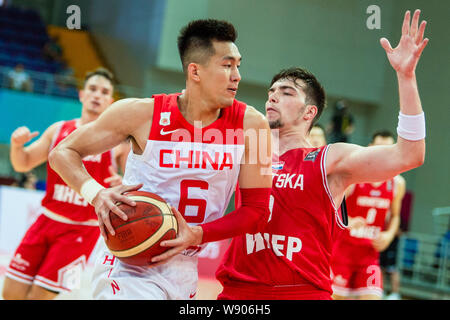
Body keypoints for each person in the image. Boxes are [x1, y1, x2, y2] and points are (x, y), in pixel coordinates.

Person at [48, 19, 272, 300]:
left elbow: (258, 211)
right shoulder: (140, 114)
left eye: (238, 65)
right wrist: (96, 194)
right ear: (195, 71)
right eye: (227, 65)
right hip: (128, 259)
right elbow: (62, 153)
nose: (237, 75)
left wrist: (198, 235)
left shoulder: (253, 125)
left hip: (184, 265)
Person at [215, 9, 428, 300]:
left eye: (287, 93)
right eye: (271, 92)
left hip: (301, 293)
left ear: (309, 112)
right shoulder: (245, 150)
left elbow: (409, 155)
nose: (273, 97)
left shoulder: (330, 159)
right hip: (238, 293)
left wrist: (406, 77)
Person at [2, 67, 130, 300]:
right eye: (92, 89)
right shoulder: (59, 129)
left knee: (39, 298)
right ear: (82, 94)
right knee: (10, 293)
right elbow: (23, 164)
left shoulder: (119, 142)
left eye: (103, 92)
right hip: (45, 221)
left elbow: (136, 182)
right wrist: (17, 146)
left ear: (110, 101)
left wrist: (123, 181)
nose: (97, 95)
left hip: (82, 232)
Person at [330, 130, 406, 300]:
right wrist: (346, 221)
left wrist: (389, 234)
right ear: (370, 147)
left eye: (387, 148)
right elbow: (330, 207)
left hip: (369, 255)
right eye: (379, 147)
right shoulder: (353, 177)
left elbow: (395, 216)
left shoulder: (397, 183)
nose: (382, 153)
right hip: (342, 253)